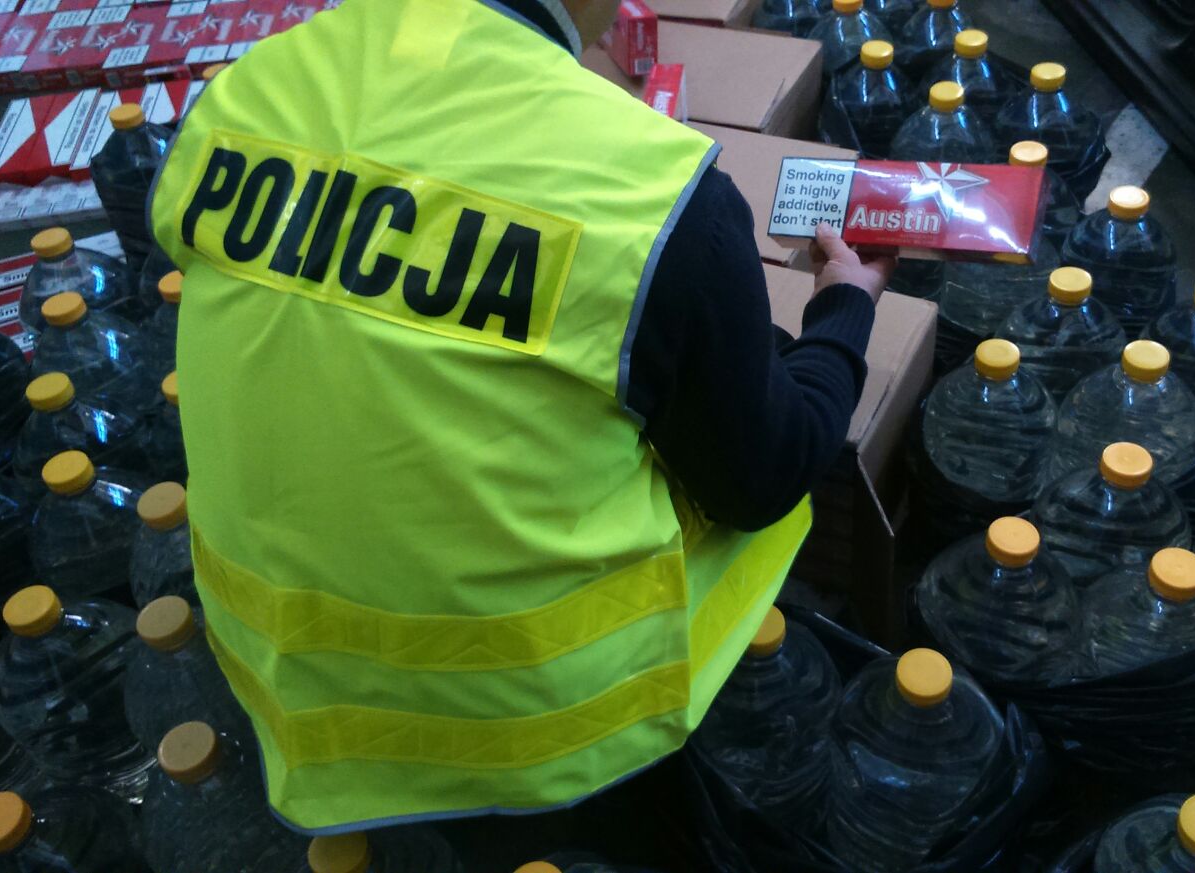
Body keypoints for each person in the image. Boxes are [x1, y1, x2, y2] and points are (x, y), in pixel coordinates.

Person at [147, 0, 893, 834]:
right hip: (544, 736)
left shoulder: (246, 92)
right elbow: (766, 470)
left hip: (282, 698)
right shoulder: (650, 192)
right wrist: (842, 316)